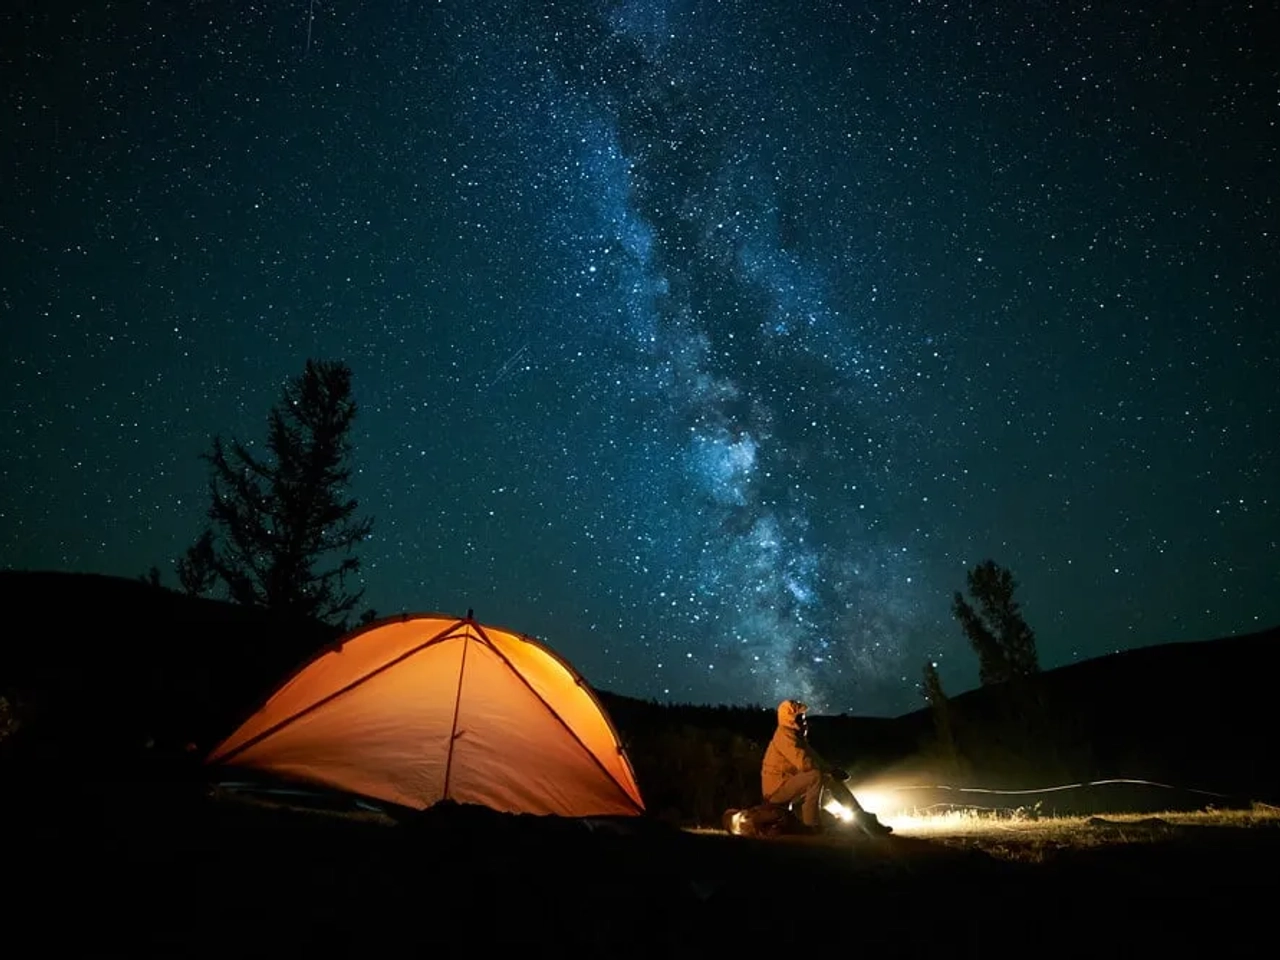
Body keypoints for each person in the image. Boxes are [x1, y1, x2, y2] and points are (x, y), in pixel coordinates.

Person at [760, 698, 892, 836]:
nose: (804, 720)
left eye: (804, 717)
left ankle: (864, 819)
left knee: (831, 779)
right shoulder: (784, 736)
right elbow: (805, 763)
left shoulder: (796, 736)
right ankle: (811, 825)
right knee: (815, 775)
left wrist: (833, 771)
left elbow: (815, 759)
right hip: (776, 792)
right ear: (789, 718)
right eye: (800, 717)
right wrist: (830, 771)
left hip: (788, 786)